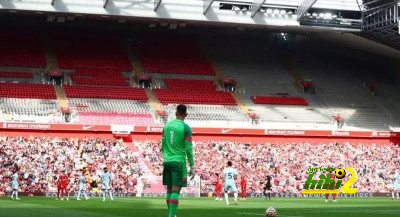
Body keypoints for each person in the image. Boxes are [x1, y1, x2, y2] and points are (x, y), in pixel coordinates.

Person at [162, 104, 195, 217]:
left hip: (167, 161)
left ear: (176, 113)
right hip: (178, 162)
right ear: (186, 114)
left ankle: (172, 215)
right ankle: (171, 216)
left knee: (169, 190)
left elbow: (163, 144)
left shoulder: (166, 125)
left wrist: (166, 157)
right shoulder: (186, 127)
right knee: (175, 191)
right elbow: (189, 148)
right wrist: (192, 165)